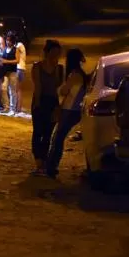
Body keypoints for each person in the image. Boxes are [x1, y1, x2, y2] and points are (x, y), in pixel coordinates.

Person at [45, 48, 88, 178]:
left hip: (69, 109)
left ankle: (51, 167)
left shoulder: (74, 75)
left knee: (57, 138)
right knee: (58, 137)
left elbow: (64, 91)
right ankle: (51, 166)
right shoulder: (81, 74)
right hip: (74, 109)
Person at [30, 40, 63, 176]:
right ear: (46, 52)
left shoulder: (59, 68)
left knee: (49, 133)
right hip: (40, 100)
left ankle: (44, 161)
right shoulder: (37, 67)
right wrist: (37, 105)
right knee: (38, 131)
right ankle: (39, 162)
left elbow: (57, 86)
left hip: (52, 101)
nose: (55, 55)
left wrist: (55, 68)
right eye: (53, 52)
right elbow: (38, 87)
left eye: (57, 53)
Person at [0, 32, 20, 115]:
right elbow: (2, 59)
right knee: (3, 89)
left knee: (12, 91)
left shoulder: (16, 49)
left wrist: (6, 61)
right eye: (7, 40)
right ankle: (6, 107)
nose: (8, 42)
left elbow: (17, 61)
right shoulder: (4, 49)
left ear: (13, 41)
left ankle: (12, 109)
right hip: (5, 72)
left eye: (9, 40)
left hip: (12, 72)